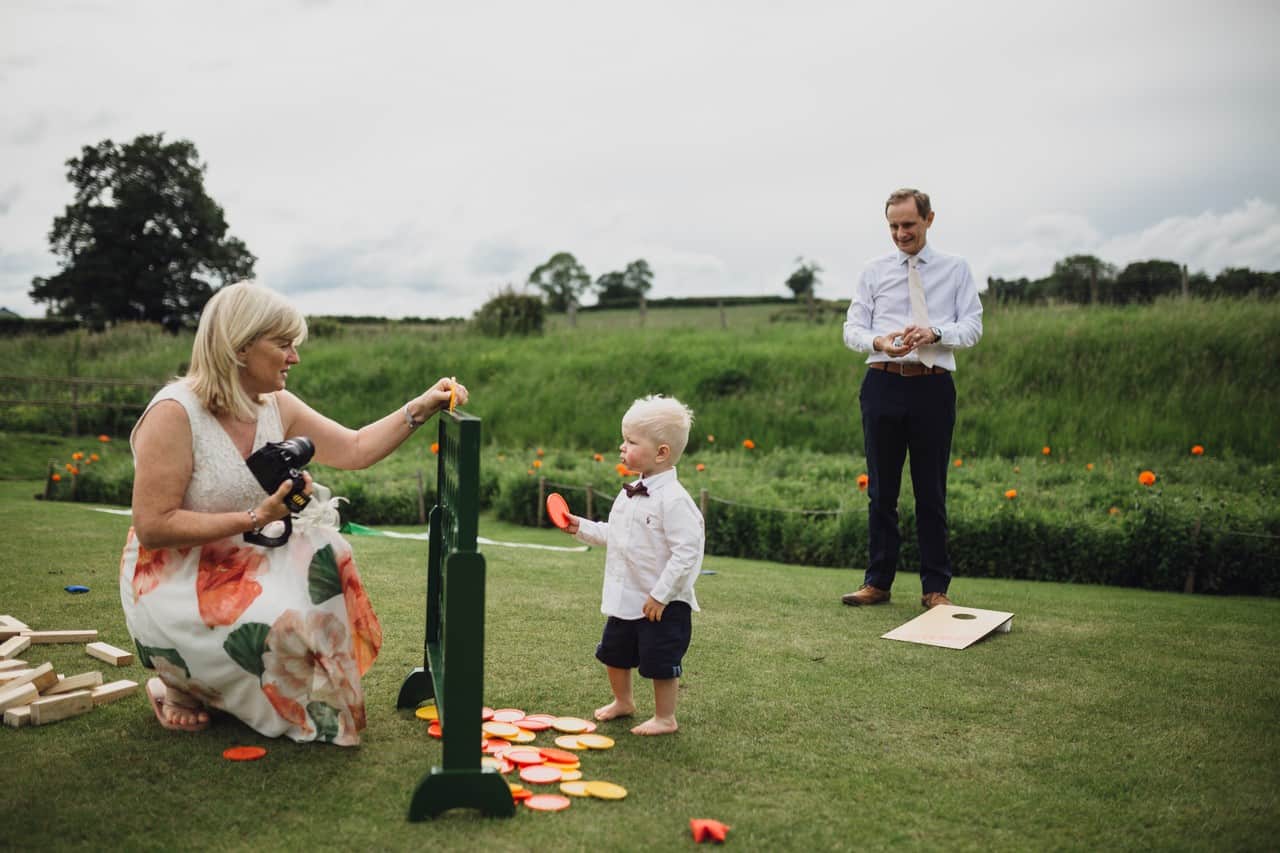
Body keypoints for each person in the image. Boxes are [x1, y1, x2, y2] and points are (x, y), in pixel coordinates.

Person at [121, 281, 467, 745]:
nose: (294, 357)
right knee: (272, 619)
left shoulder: (275, 405)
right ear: (240, 347)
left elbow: (357, 447)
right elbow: (153, 526)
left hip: (247, 557)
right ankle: (179, 682)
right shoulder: (174, 413)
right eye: (283, 345)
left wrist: (420, 407)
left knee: (329, 555)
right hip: (176, 574)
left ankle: (216, 686)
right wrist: (254, 517)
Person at [841, 188, 983, 609]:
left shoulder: (956, 269)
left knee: (930, 491)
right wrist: (879, 340)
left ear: (929, 220)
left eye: (908, 225)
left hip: (933, 387)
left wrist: (938, 332)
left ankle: (935, 589)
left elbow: (973, 327)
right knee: (881, 491)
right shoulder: (873, 270)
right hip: (882, 383)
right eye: (893, 226)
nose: (901, 233)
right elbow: (851, 329)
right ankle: (877, 583)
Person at [559, 395, 704, 736]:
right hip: (628, 597)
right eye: (623, 439)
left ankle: (665, 718)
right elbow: (618, 535)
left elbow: (687, 552)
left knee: (660, 662)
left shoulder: (675, 501)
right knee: (614, 653)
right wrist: (580, 526)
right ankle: (623, 701)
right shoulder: (630, 492)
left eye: (631, 441)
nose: (621, 447)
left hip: (661, 603)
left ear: (661, 452)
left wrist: (661, 595)